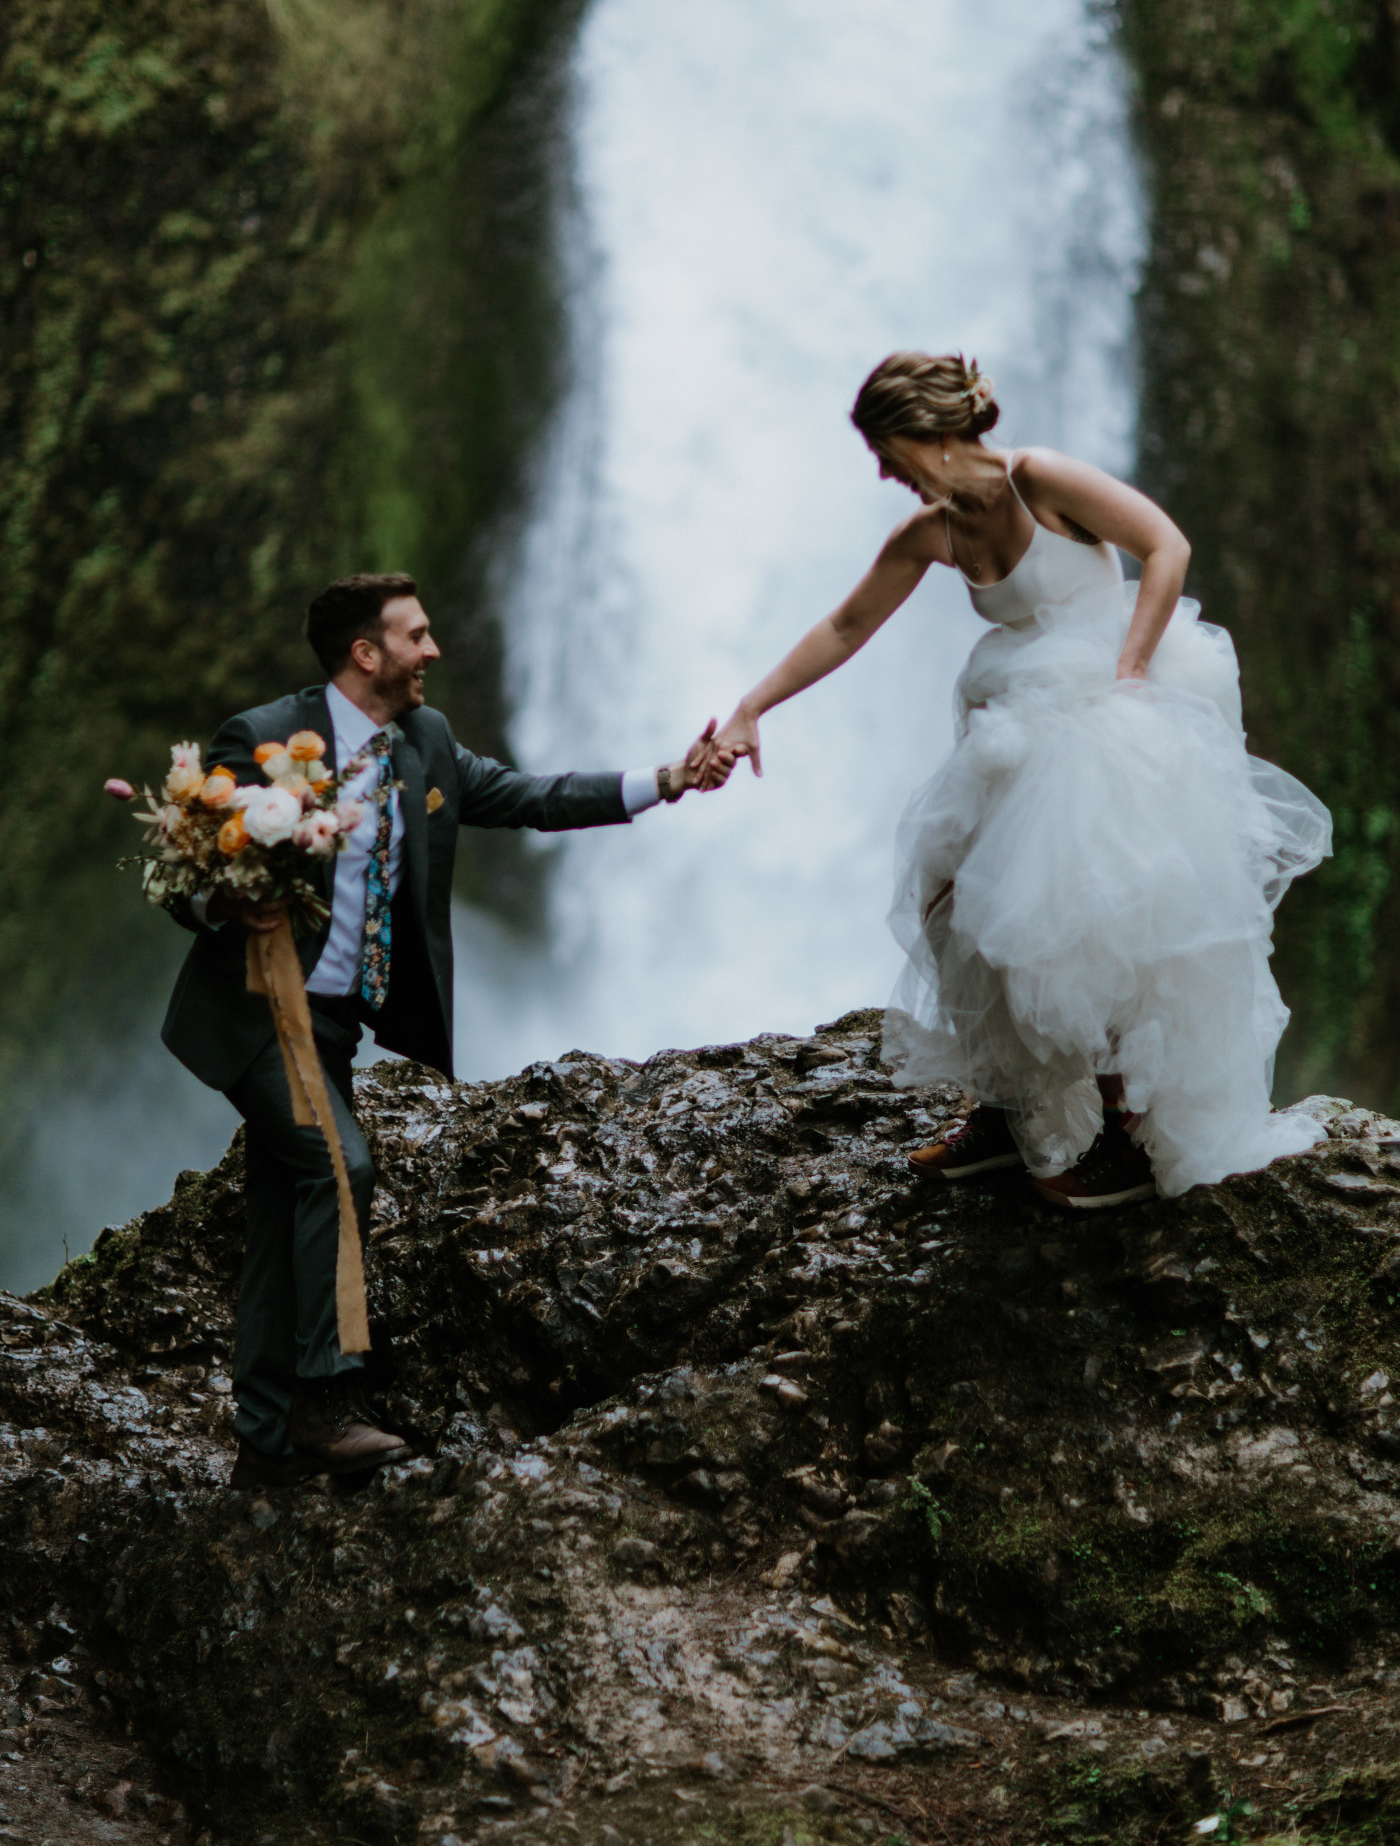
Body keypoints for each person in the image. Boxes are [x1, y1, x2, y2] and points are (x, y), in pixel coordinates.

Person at [704, 352, 1331, 1210]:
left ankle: (1129, 1138)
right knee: (953, 904)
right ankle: (1004, 1112)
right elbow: (846, 623)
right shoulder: (933, 531)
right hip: (1017, 733)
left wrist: (1131, 675)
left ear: (933, 432)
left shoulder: (1039, 479)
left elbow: (1166, 545)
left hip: (1113, 714)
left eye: (887, 449)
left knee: (1102, 919)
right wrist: (750, 707)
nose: (883, 470)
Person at [163, 573, 736, 1490]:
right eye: (417, 636)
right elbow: (187, 875)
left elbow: (527, 796)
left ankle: (263, 1438)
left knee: (284, 1204)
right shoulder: (263, 735)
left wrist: (667, 780)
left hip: (339, 1027)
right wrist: (231, 898)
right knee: (339, 1166)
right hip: (258, 1010)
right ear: (367, 653)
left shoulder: (423, 741)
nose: (434, 651)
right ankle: (323, 1404)